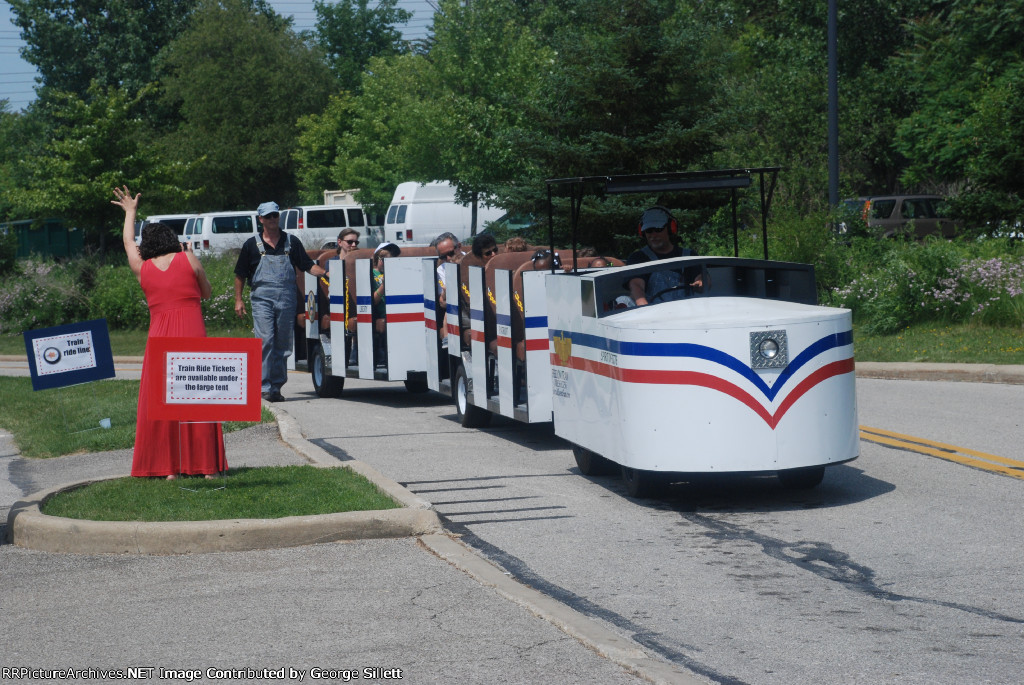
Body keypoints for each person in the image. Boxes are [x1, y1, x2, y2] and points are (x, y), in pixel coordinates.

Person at [111, 186, 227, 480]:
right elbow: (208, 293)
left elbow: (127, 242)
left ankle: (169, 469)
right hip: (191, 330)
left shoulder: (142, 267)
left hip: (159, 334)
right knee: (200, 395)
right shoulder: (188, 258)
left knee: (163, 400)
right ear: (172, 240)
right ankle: (207, 468)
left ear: (146, 246)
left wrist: (130, 213)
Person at [234, 201, 326, 402]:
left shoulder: (291, 242)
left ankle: (276, 386)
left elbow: (307, 266)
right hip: (261, 299)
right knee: (266, 339)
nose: (272, 219)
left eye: (275, 215)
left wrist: (328, 274)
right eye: (268, 217)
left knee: (283, 343)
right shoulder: (251, 245)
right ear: (261, 220)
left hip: (286, 298)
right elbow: (240, 274)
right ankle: (263, 386)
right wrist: (238, 299)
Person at [625, 206, 702, 306]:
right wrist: (644, 307)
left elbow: (702, 278)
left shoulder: (689, 256)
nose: (653, 235)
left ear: (671, 228)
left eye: (658, 229)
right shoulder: (638, 258)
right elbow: (637, 285)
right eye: (649, 231)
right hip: (652, 314)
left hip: (685, 314)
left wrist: (701, 282)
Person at [371, 241, 401, 366]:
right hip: (380, 313)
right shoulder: (371, 274)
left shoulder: (398, 272)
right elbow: (372, 302)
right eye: (383, 259)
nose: (385, 262)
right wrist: (384, 285)